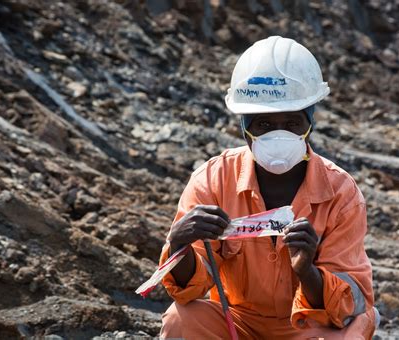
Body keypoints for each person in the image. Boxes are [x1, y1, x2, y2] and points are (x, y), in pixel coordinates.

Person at [159, 36, 378, 339]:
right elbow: (188, 291)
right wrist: (178, 245)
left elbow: (348, 301)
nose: (279, 135)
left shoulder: (341, 192)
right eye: (263, 124)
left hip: (308, 326)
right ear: (245, 127)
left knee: (356, 326)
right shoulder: (213, 181)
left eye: (291, 123)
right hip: (238, 323)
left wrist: (307, 271)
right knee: (180, 320)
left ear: (309, 123)